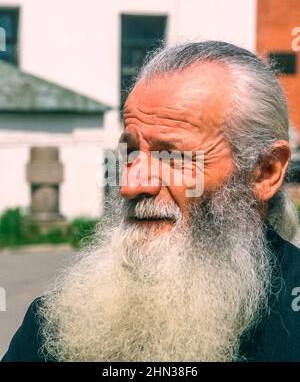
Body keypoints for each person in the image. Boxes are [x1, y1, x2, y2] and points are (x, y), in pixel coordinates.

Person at [2, 41, 300, 362]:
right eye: (129, 153)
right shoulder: (53, 326)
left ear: (264, 172)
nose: (131, 184)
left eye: (173, 156)